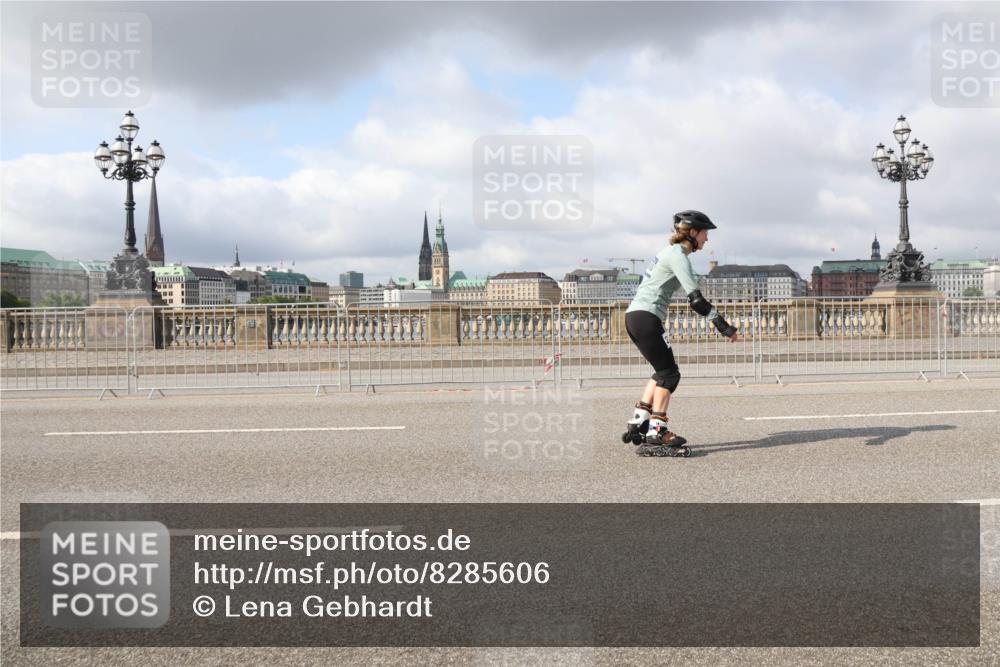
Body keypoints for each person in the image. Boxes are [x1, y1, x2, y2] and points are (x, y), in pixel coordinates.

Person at [622, 210, 738, 457]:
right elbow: (696, 300)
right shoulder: (678, 256)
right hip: (647, 317)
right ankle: (657, 430)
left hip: (635, 316)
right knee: (669, 375)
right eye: (705, 232)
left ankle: (639, 419)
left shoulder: (667, 253)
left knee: (661, 371)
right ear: (693, 232)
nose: (707, 239)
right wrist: (724, 326)